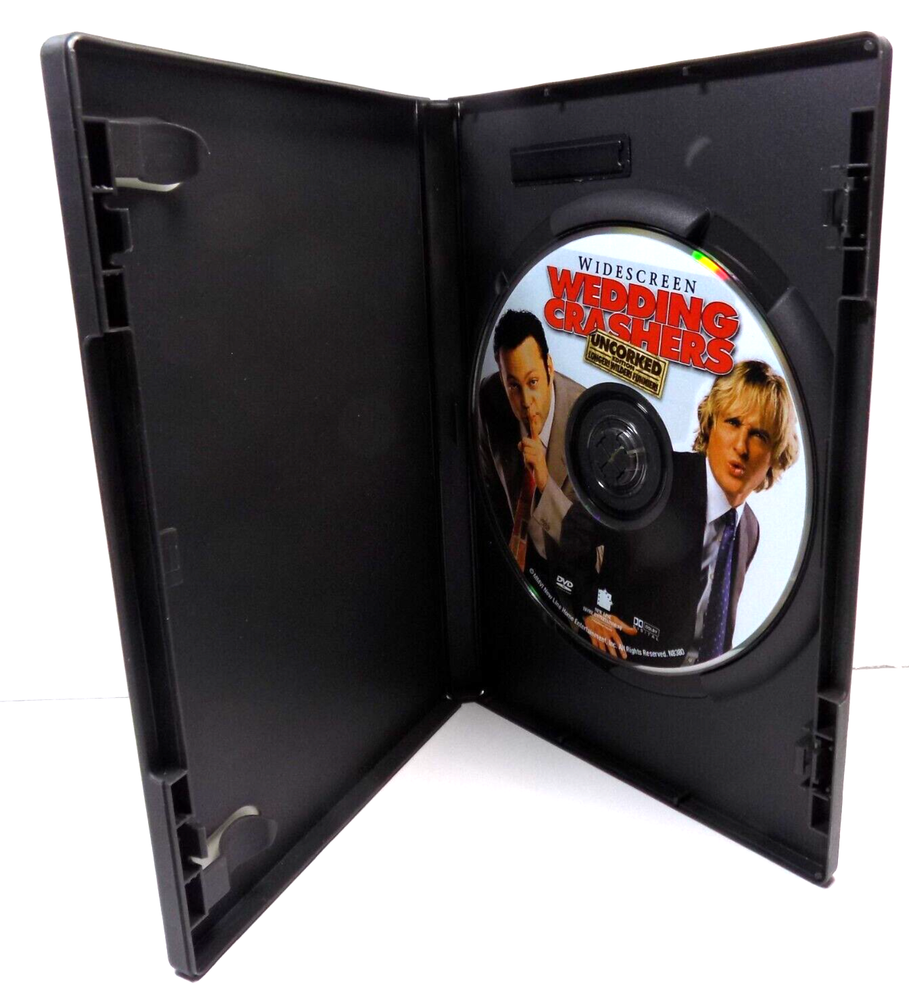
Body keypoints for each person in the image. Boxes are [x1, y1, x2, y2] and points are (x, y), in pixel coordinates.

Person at [559, 359, 800, 667]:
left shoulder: (750, 529)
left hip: (693, 687)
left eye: (760, 435)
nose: (741, 446)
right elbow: (578, 527)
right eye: (733, 422)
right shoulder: (660, 475)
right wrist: (588, 609)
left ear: (774, 454)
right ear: (711, 423)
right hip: (619, 669)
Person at [477, 310, 584, 588]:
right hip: (506, 573)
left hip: (565, 585)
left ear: (549, 367)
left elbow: (591, 555)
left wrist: (545, 483)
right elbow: (486, 495)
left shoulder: (586, 424)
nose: (525, 401)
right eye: (513, 385)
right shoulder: (488, 398)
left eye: (533, 382)